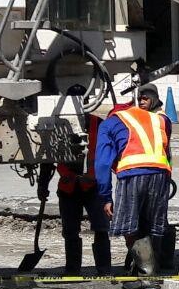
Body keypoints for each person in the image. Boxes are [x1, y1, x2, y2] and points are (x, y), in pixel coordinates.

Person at [95, 84, 173, 278]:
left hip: (133, 175)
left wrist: (105, 196)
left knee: (129, 227)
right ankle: (151, 268)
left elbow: (103, 164)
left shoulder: (110, 123)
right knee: (153, 224)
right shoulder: (161, 119)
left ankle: (147, 276)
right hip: (160, 175)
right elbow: (166, 150)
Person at [56, 111, 115, 277]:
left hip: (94, 186)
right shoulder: (58, 125)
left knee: (102, 228)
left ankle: (104, 270)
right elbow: (49, 156)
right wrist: (42, 184)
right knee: (70, 231)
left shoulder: (100, 124)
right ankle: (72, 270)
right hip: (69, 187)